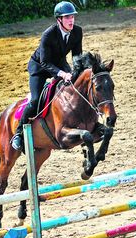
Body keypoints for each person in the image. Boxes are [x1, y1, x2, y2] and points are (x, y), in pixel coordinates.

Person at [11, 1, 83, 151]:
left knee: (74, 88)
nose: (71, 20)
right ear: (59, 20)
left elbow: (77, 57)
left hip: (59, 63)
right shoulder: (48, 34)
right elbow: (45, 62)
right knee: (36, 99)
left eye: (72, 17)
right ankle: (18, 134)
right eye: (67, 17)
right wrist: (62, 73)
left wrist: (78, 73)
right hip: (39, 67)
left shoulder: (77, 32)